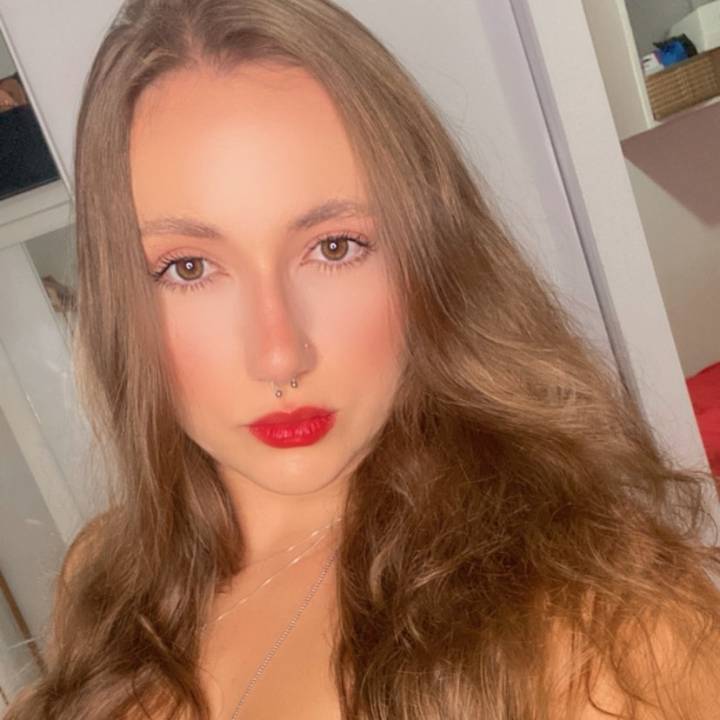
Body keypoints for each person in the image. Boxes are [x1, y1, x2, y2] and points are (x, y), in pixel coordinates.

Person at [5, 1, 720, 718]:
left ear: (429, 259)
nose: (279, 354)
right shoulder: (107, 578)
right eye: (188, 267)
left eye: (335, 247)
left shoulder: (611, 633)